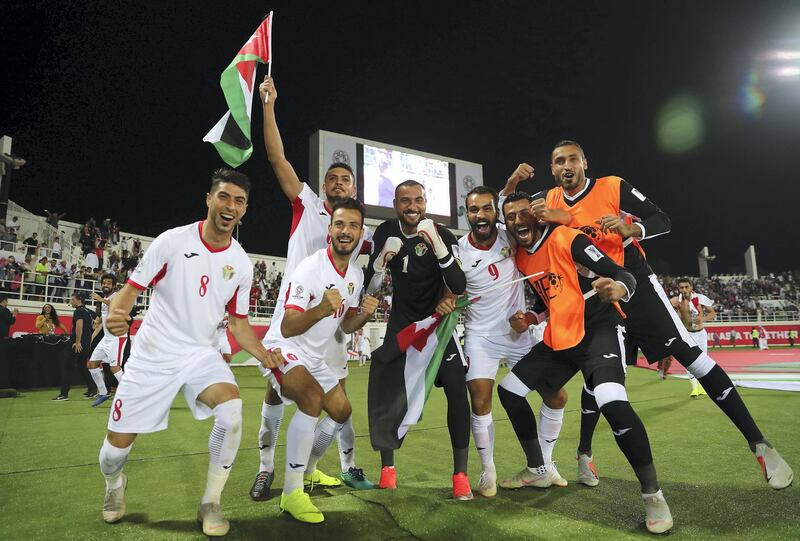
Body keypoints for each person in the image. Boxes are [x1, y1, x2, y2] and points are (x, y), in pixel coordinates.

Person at [503, 140, 793, 490]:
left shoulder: (611, 186)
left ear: (584, 163)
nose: (567, 166)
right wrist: (512, 184)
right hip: (596, 299)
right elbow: (512, 218)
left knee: (690, 355)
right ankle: (584, 454)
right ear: (551, 169)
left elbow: (662, 219)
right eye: (559, 161)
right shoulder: (546, 199)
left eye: (573, 159)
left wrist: (634, 229)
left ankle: (759, 443)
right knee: (600, 379)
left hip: (634, 285)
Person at [95, 169, 284, 536]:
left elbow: (239, 323)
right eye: (224, 197)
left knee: (231, 411)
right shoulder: (172, 241)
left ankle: (210, 502)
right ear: (209, 199)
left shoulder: (242, 264)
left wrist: (264, 354)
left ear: (245, 209)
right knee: (113, 452)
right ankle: (114, 485)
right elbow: (132, 290)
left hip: (201, 353)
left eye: (239, 201)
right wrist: (117, 315)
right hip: (154, 354)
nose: (231, 206)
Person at [499, 192, 672, 534]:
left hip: (599, 330)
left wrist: (620, 289)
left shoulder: (567, 238)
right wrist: (533, 315)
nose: (518, 221)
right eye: (511, 217)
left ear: (537, 216)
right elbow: (555, 296)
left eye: (523, 214)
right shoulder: (522, 259)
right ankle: (538, 469)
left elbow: (622, 273)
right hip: (561, 338)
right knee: (509, 390)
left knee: (610, 399)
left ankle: (653, 494)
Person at [249, 76, 375, 503]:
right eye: (332, 178)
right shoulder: (306, 204)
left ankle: (311, 470)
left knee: (336, 406)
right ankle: (268, 469)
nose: (339, 183)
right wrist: (269, 105)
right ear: (324, 186)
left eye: (346, 180)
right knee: (280, 391)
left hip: (331, 329)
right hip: (297, 315)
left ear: (353, 190)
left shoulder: (357, 233)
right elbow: (276, 157)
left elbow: (358, 283)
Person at [438, 185, 567, 498]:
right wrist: (447, 303)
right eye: (473, 210)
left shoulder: (511, 233)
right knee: (481, 400)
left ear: (494, 212)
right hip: (481, 337)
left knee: (557, 397)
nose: (479, 215)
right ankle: (488, 471)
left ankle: (545, 465)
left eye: (485, 209)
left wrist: (532, 318)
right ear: (465, 214)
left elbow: (555, 226)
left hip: (518, 334)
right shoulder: (458, 251)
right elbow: (450, 294)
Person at [263, 199, 379, 523]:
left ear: (359, 233)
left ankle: (310, 471)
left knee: (342, 410)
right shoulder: (310, 268)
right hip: (282, 347)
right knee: (312, 398)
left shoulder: (354, 274)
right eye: (340, 224)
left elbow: (345, 325)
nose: (346, 231)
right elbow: (287, 326)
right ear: (330, 230)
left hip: (313, 357)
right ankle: (291, 492)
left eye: (353, 226)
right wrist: (320, 310)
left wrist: (364, 316)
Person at [364, 180, 472, 499]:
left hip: (437, 326)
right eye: (405, 201)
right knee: (388, 394)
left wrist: (437, 246)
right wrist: (383, 262)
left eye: (419, 200)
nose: (413, 206)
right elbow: (371, 289)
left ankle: (461, 475)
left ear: (426, 202)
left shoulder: (444, 233)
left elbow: (459, 285)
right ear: (395, 204)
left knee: (456, 390)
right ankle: (388, 468)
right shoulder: (384, 230)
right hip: (402, 327)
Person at [670, 278, 717, 398]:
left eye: (686, 287)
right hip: (687, 334)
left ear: (691, 287)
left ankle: (702, 386)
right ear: (678, 289)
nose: (684, 290)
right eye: (681, 288)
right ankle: (694, 387)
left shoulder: (700, 298)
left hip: (701, 333)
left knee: (703, 360)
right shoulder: (675, 301)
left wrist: (703, 319)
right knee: (689, 361)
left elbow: (712, 313)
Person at [87, 274, 126, 407]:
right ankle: (104, 393)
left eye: (108, 283)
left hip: (117, 337)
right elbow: (101, 321)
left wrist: (99, 299)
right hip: (107, 338)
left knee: (115, 368)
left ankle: (134, 394)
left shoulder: (117, 295)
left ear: (114, 286)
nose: (105, 285)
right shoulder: (104, 299)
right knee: (91, 364)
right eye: (104, 283)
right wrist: (93, 333)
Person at [54, 292, 97, 401]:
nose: (71, 301)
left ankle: (64, 394)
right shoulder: (90, 312)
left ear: (79, 300)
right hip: (86, 345)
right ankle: (92, 390)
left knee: (67, 368)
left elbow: (79, 326)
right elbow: (97, 324)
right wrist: (88, 339)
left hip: (77, 345)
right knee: (82, 367)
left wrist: (78, 342)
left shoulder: (78, 311)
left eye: (72, 299)